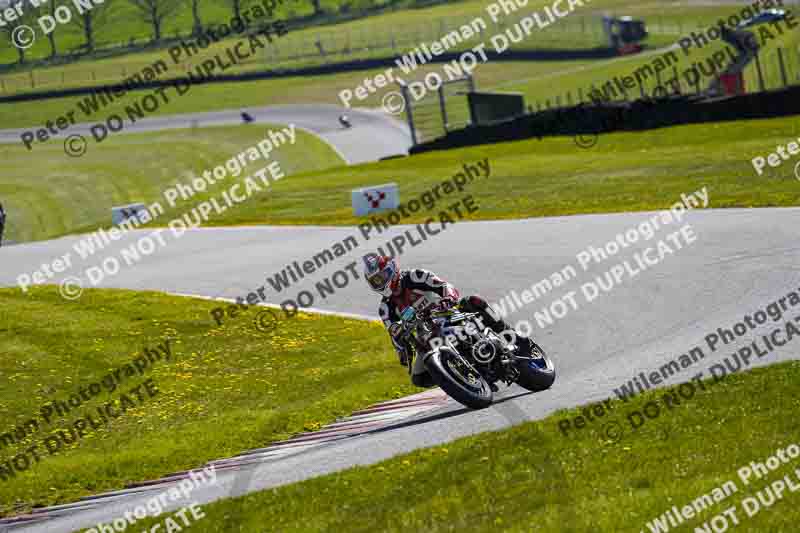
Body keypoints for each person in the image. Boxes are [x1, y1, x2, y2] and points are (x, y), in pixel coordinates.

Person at [361, 252, 532, 387]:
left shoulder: (414, 276)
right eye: (375, 280)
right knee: (419, 378)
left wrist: (448, 297)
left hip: (448, 314)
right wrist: (402, 351)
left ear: (391, 270)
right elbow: (393, 334)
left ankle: (507, 333)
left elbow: (443, 285)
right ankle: (465, 379)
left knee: (473, 300)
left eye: (382, 277)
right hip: (427, 337)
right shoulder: (385, 309)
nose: (380, 282)